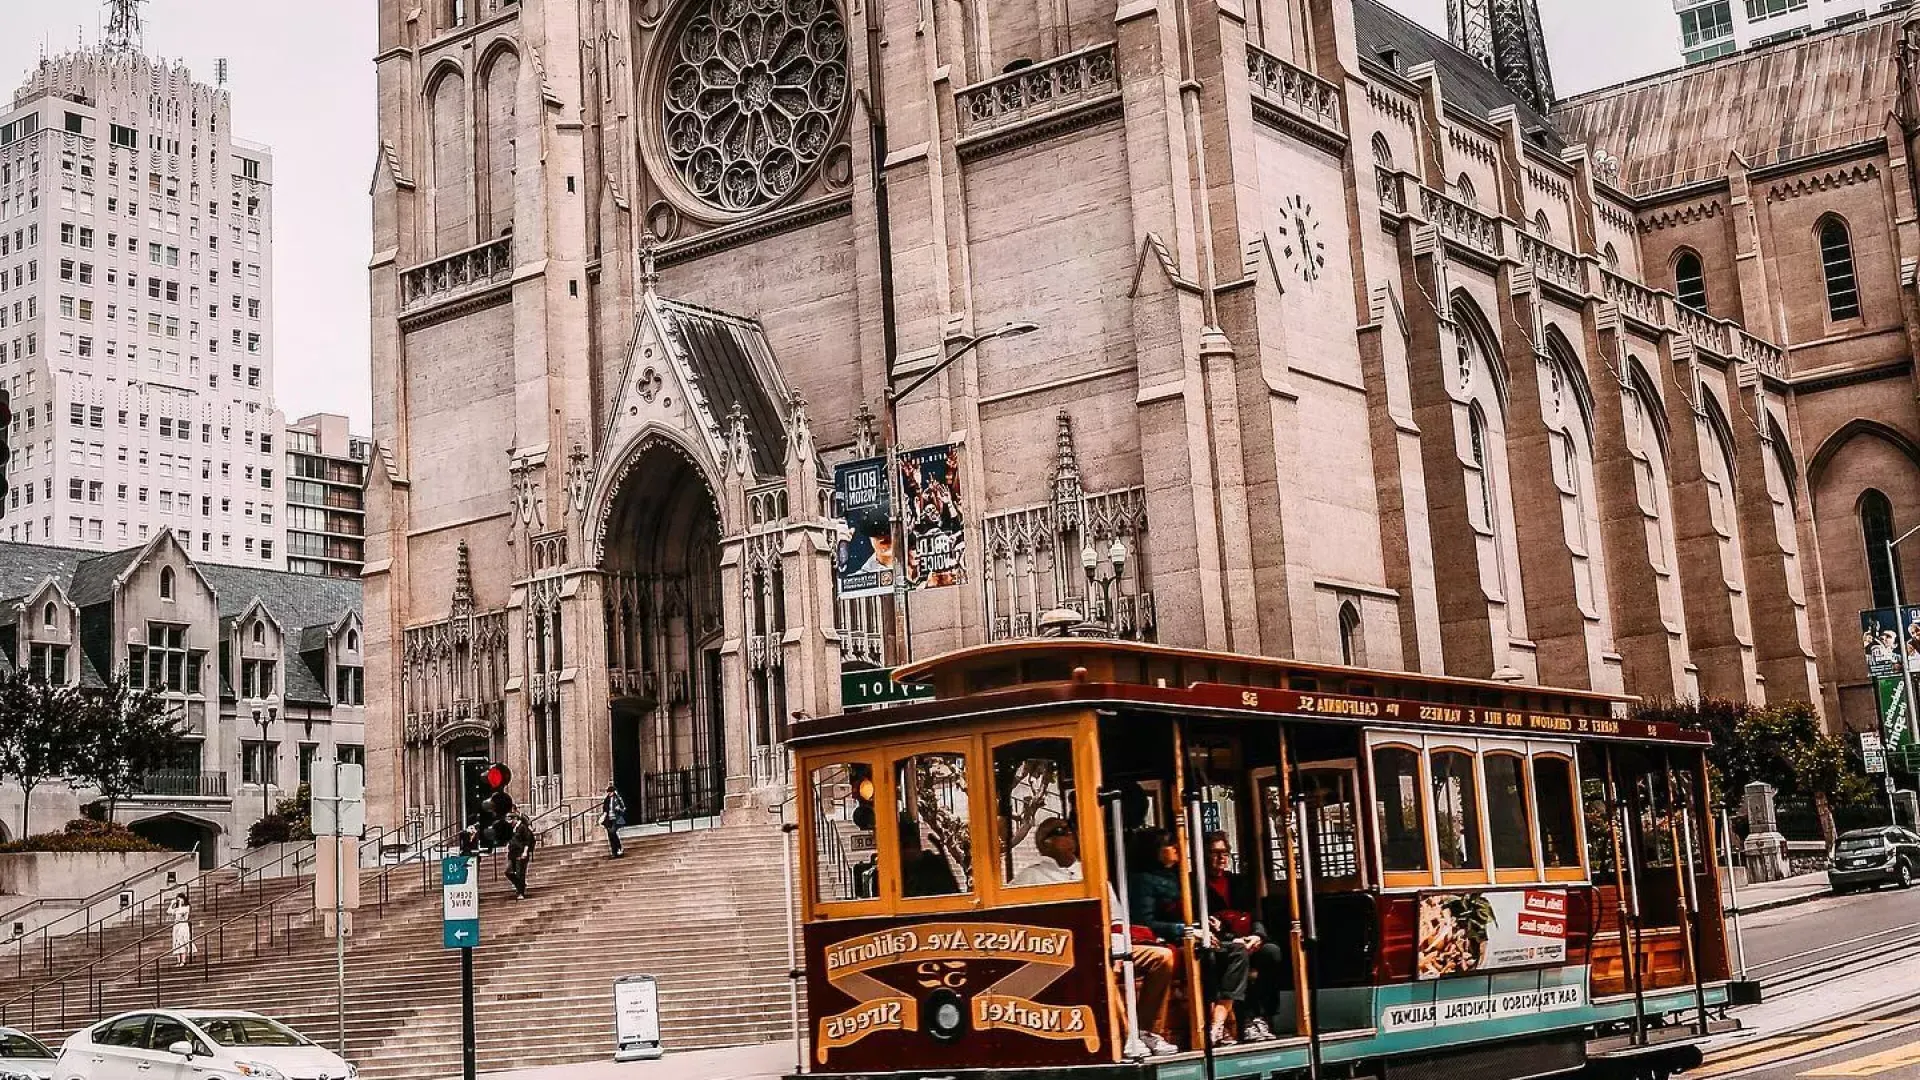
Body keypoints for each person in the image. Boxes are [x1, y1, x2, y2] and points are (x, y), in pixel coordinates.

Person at [1012, 818, 1177, 1057]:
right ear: (1045, 843)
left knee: (1162, 957)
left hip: (1106, 945)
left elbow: (1117, 917)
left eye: (1070, 830)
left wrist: (1118, 945)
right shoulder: (1031, 878)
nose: (1070, 835)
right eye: (1062, 832)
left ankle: (1144, 1030)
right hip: (1066, 955)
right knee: (1101, 965)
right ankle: (1127, 1036)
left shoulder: (1091, 873)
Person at [1130, 828, 1249, 1048]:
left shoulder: (1180, 876)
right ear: (1155, 850)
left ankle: (1218, 1023)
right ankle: (1201, 1027)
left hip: (1191, 936)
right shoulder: (1142, 881)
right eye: (1171, 845)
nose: (1178, 849)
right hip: (1168, 942)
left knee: (1236, 951)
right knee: (1208, 957)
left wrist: (1205, 923)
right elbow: (1145, 924)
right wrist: (1187, 931)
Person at [1204, 831, 1284, 1043]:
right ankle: (1245, 1019)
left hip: (1246, 940)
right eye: (1215, 853)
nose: (1221, 858)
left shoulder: (1239, 882)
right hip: (1222, 944)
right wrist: (1232, 937)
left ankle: (1261, 1016)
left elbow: (1255, 914)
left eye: (1225, 853)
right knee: (1235, 957)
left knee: (1272, 953)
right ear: (1204, 854)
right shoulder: (1197, 884)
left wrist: (1258, 936)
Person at [898, 817, 960, 897]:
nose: (907, 852)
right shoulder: (891, 873)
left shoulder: (933, 866)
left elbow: (952, 896)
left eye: (908, 846)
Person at [505, 813, 537, 899]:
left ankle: (520, 892)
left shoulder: (522, 827)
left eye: (510, 820)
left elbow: (527, 840)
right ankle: (520, 884)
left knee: (520, 873)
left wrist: (525, 852)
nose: (509, 822)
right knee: (508, 871)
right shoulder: (511, 829)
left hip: (520, 852)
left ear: (515, 819)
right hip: (512, 852)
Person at [601, 782, 627, 858]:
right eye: (608, 792)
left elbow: (624, 808)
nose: (609, 793)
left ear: (613, 792)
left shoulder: (618, 798)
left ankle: (619, 848)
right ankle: (614, 851)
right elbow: (605, 809)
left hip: (616, 818)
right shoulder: (606, 800)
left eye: (610, 792)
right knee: (610, 835)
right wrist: (603, 817)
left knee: (612, 832)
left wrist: (619, 809)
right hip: (609, 819)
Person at [167, 894, 194, 966]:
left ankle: (183, 960)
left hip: (183, 924)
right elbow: (169, 911)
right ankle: (178, 960)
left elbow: (181, 912)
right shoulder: (177, 908)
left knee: (182, 941)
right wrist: (172, 904)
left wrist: (178, 906)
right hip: (176, 925)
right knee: (176, 942)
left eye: (180, 899)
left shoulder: (186, 907)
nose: (179, 901)